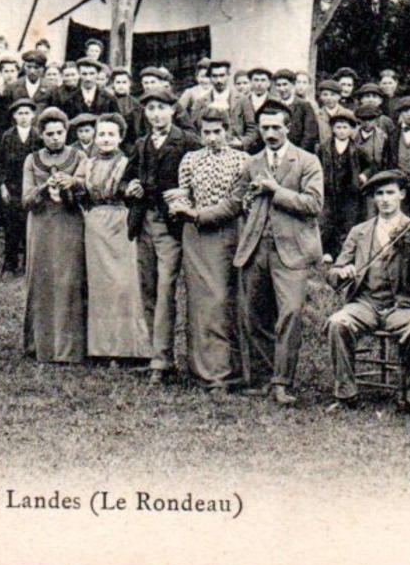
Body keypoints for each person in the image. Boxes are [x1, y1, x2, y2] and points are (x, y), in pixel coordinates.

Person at [324, 169, 410, 411]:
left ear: (402, 195)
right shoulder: (360, 232)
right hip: (365, 303)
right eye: (379, 194)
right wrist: (341, 272)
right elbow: (334, 272)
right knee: (338, 322)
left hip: (403, 304)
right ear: (374, 198)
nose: (385, 199)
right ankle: (346, 395)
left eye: (390, 193)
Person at [234, 103, 325, 405]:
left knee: (290, 313)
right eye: (264, 128)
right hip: (256, 247)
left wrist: (275, 190)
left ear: (288, 128)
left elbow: (314, 204)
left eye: (276, 127)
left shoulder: (307, 161)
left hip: (292, 250)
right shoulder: (252, 162)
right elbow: (239, 200)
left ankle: (282, 382)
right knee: (255, 314)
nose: (270, 133)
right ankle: (261, 379)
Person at [128, 89, 198, 383]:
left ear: (173, 110)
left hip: (171, 226)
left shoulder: (187, 142)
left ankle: (162, 359)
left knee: (166, 289)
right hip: (143, 223)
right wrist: (129, 186)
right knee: (148, 288)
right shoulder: (142, 143)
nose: (156, 114)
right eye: (150, 109)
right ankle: (155, 354)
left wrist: (187, 191)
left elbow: (203, 178)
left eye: (161, 107)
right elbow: (126, 177)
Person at [174, 108, 247, 390]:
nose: (212, 138)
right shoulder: (190, 160)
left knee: (223, 300)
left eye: (218, 132)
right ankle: (201, 370)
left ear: (227, 131)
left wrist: (199, 213)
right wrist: (180, 206)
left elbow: (238, 202)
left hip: (229, 233)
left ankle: (227, 370)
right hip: (196, 235)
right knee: (201, 302)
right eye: (206, 132)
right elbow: (185, 195)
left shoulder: (242, 160)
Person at [76, 114, 149, 362]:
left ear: (120, 137)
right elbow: (81, 192)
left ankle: (129, 348)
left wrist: (129, 191)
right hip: (95, 225)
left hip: (120, 223)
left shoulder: (127, 163)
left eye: (111, 134)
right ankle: (101, 349)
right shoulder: (88, 164)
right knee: (100, 287)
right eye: (101, 134)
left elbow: (134, 190)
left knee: (123, 284)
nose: (105, 139)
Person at [23, 107, 88, 364]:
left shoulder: (79, 156)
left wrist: (71, 184)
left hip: (69, 223)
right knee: (41, 280)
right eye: (49, 133)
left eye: (60, 132)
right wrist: (43, 187)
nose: (55, 138)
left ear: (66, 131)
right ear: (41, 135)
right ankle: (41, 346)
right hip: (40, 225)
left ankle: (69, 349)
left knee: (69, 280)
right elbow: (26, 198)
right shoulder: (32, 160)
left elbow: (85, 191)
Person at [0, 98, 40, 275]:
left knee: (30, 226)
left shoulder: (38, 136)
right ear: (14, 116)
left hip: (32, 188)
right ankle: (10, 264)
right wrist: (2, 187)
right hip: (13, 188)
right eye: (20, 113)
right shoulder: (8, 136)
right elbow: (0, 164)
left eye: (27, 113)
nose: (23, 117)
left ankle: (29, 264)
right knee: (12, 227)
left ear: (33, 115)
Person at [318, 110, 365, 258]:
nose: (342, 131)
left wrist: (363, 175)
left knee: (346, 223)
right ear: (332, 129)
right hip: (328, 191)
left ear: (351, 130)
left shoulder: (357, 149)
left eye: (345, 127)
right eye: (338, 127)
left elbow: (371, 165)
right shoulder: (323, 148)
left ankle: (342, 255)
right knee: (326, 221)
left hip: (349, 192)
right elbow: (316, 165)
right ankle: (325, 252)